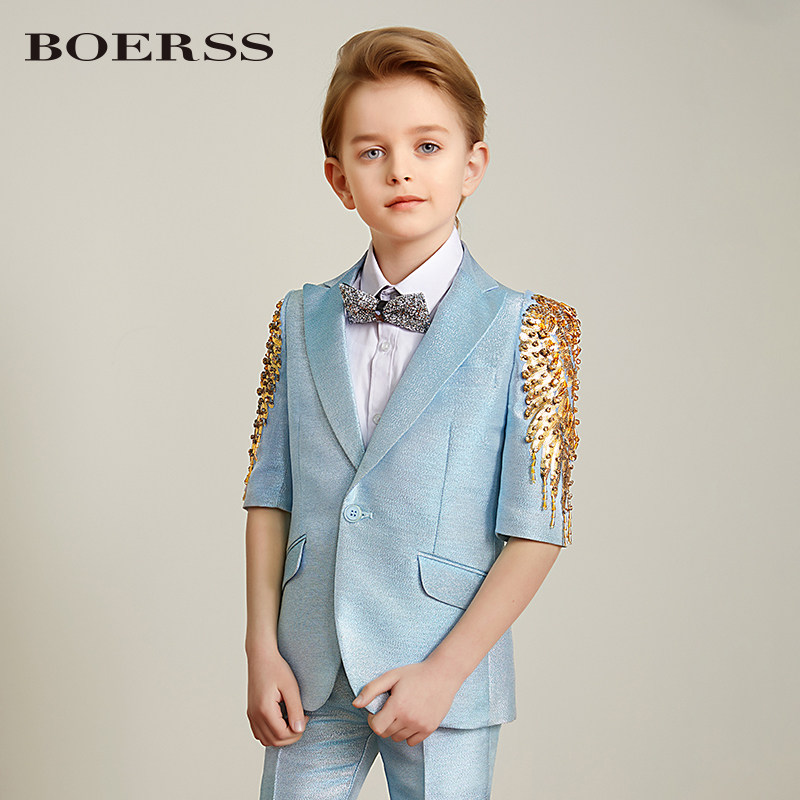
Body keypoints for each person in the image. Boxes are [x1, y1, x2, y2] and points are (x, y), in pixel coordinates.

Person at [242, 26, 581, 800]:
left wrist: (446, 672)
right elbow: (268, 495)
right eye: (372, 152)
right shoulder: (297, 319)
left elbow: (538, 528)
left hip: (443, 671)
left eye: (428, 146)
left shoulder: (535, 330)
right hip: (307, 669)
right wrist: (261, 647)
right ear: (339, 179)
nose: (400, 170)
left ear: (472, 165)